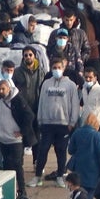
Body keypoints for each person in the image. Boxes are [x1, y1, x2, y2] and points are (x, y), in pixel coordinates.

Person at [29, 58, 81, 188]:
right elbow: (41, 102)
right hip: (47, 123)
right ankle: (37, 176)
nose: (56, 70)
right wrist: (40, 119)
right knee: (43, 149)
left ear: (63, 69)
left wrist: (72, 121)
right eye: (54, 68)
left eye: (59, 68)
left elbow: (75, 104)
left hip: (63, 124)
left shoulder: (70, 85)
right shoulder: (46, 83)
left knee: (61, 150)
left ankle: (59, 176)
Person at [67, 113, 100, 199]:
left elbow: (70, 150)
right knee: (89, 195)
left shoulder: (76, 132)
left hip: (78, 168)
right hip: (93, 170)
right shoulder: (97, 136)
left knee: (78, 193)